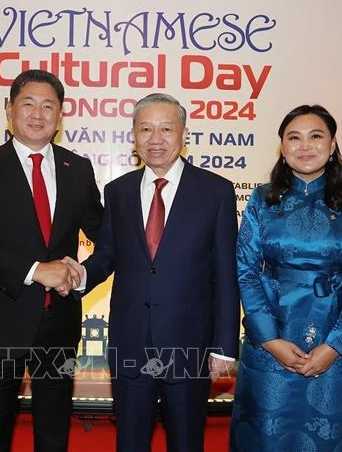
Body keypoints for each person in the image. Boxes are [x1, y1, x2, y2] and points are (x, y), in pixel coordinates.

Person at [71, 93, 240, 451]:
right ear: (133, 135)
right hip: (131, 342)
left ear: (184, 134)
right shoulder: (118, 191)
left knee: (186, 441)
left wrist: (224, 346)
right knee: (130, 442)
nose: (156, 139)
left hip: (190, 342)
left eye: (166, 128)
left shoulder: (217, 191)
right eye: (145, 129)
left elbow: (227, 274)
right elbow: (106, 255)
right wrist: (80, 276)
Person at [0, 69, 104, 452]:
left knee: (54, 428)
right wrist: (37, 271)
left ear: (60, 114)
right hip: (1, 319)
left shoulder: (78, 167)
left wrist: (84, 272)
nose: (38, 114)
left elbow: (107, 233)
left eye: (48, 105)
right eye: (28, 103)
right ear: (9, 109)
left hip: (59, 322)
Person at [229, 104, 342, 451]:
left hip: (334, 338)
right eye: (293, 138)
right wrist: (269, 340)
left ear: (331, 146)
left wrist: (336, 345)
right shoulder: (262, 199)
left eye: (316, 136)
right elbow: (247, 270)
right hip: (273, 337)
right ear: (282, 148)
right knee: (267, 436)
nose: (305, 146)